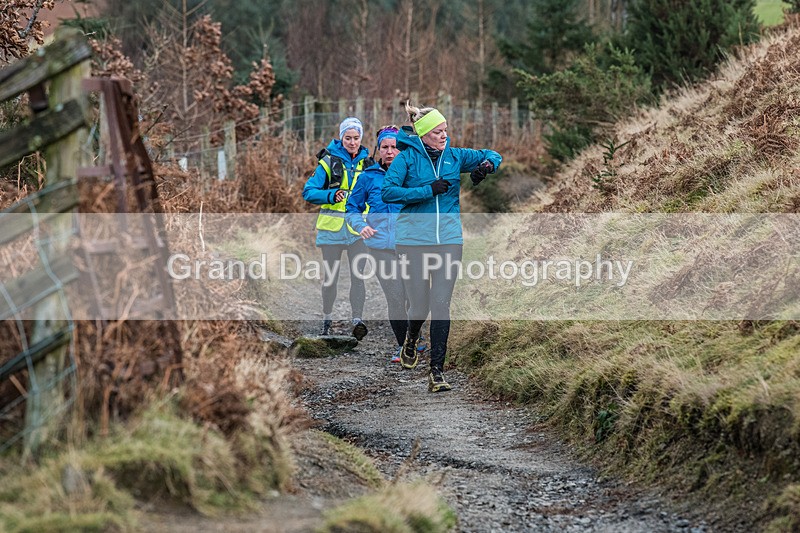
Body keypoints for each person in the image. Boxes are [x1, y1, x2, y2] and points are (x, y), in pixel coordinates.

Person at [381, 102, 502, 392]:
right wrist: (427, 190)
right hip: (412, 242)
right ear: (423, 135)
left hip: (449, 240)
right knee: (420, 305)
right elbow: (388, 192)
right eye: (437, 132)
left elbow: (493, 154)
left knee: (441, 304)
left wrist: (486, 166)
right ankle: (411, 338)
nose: (444, 135)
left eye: (446, 130)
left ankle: (437, 373)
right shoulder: (407, 159)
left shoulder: (454, 157)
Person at [345, 125, 423, 363]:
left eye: (394, 147)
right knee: (395, 297)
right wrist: (361, 226)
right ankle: (404, 347)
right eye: (385, 147)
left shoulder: (413, 175)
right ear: (378, 150)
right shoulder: (368, 178)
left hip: (411, 246)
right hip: (380, 247)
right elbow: (352, 209)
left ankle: (414, 338)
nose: (390, 151)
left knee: (414, 297)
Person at [303, 117, 372, 339]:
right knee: (330, 278)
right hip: (331, 230)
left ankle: (357, 320)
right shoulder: (328, 162)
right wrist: (331, 195)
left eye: (356, 138)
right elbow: (309, 192)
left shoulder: (368, 165)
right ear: (341, 137)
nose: (352, 142)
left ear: (361, 138)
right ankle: (327, 317)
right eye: (348, 138)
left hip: (357, 231)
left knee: (358, 276)